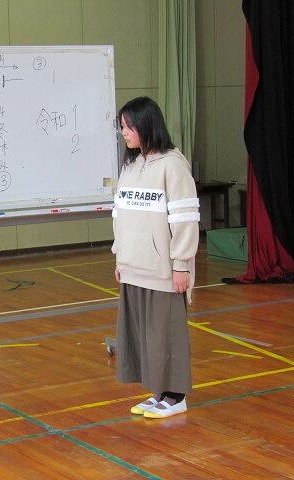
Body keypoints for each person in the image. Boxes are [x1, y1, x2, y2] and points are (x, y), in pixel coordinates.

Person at [112, 97, 199, 419]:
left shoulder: (173, 165)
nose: (124, 133)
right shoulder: (131, 165)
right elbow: (120, 215)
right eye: (121, 127)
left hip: (164, 270)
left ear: (146, 124)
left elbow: (185, 219)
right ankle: (159, 392)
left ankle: (176, 396)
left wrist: (181, 265)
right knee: (144, 336)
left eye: (128, 126)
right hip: (133, 267)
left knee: (166, 332)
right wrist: (120, 257)